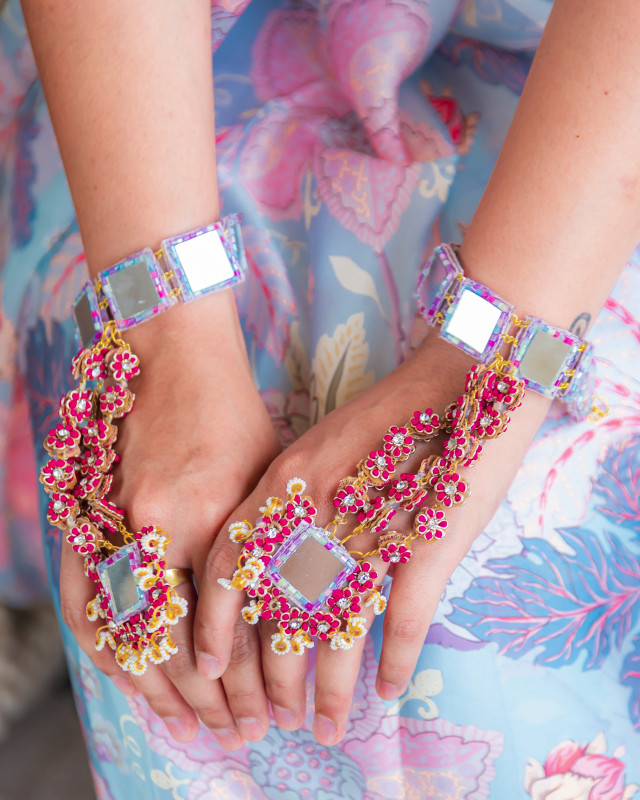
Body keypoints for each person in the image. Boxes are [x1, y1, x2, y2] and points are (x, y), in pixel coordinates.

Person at [2, 0, 640, 795]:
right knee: (172, 548)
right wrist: (163, 337)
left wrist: (491, 357)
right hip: (168, 62)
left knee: (455, 580)